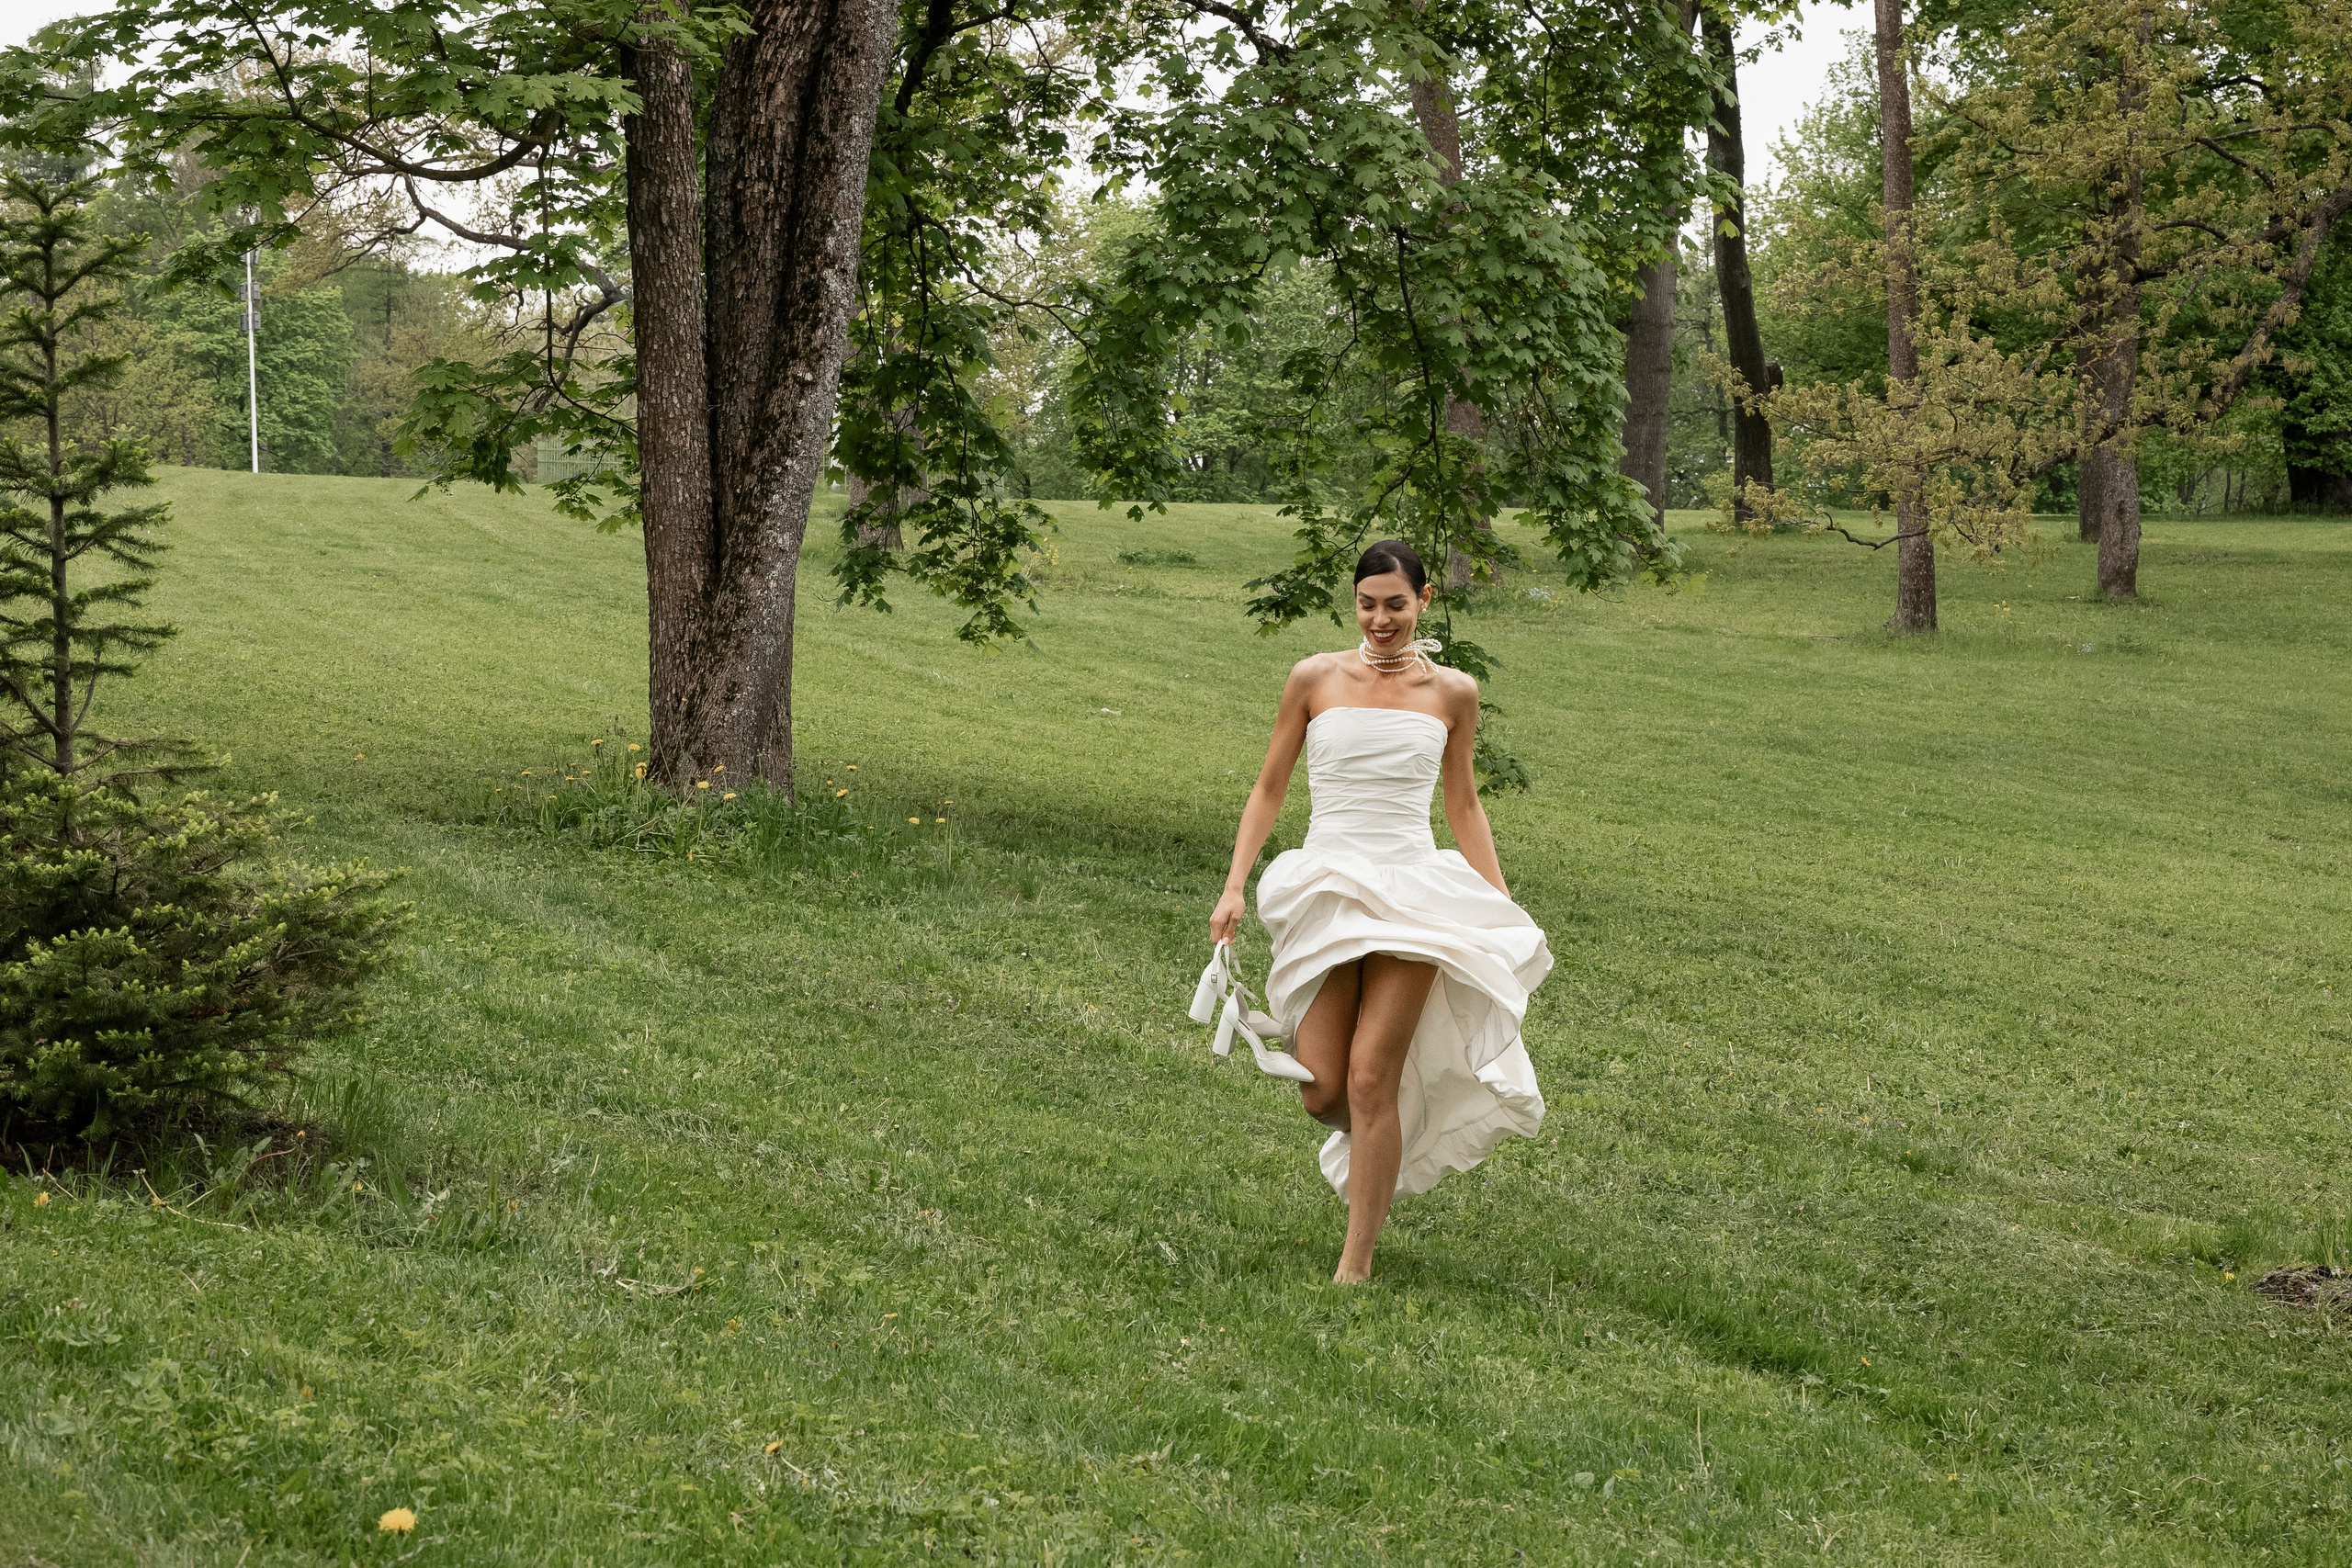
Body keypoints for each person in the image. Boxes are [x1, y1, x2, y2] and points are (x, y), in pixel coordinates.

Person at [1210, 539, 1553, 1282]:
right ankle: (1388, 1121)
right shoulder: (1314, 677)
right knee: (1324, 1089)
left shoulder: (1453, 692)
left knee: (1369, 1078)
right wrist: (1235, 883)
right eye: (1368, 603)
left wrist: (1498, 900)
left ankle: (1355, 1262)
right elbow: (1269, 786)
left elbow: (1461, 801)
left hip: (1410, 893)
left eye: (1396, 604)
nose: (1380, 619)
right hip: (1330, 884)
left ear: (1424, 600)